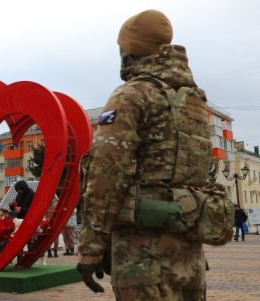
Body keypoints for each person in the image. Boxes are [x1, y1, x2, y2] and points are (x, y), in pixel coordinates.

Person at [77, 9, 215, 300]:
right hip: (190, 253)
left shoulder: (132, 95)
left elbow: (107, 174)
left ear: (130, 52)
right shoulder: (194, 100)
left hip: (143, 255)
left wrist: (91, 248)